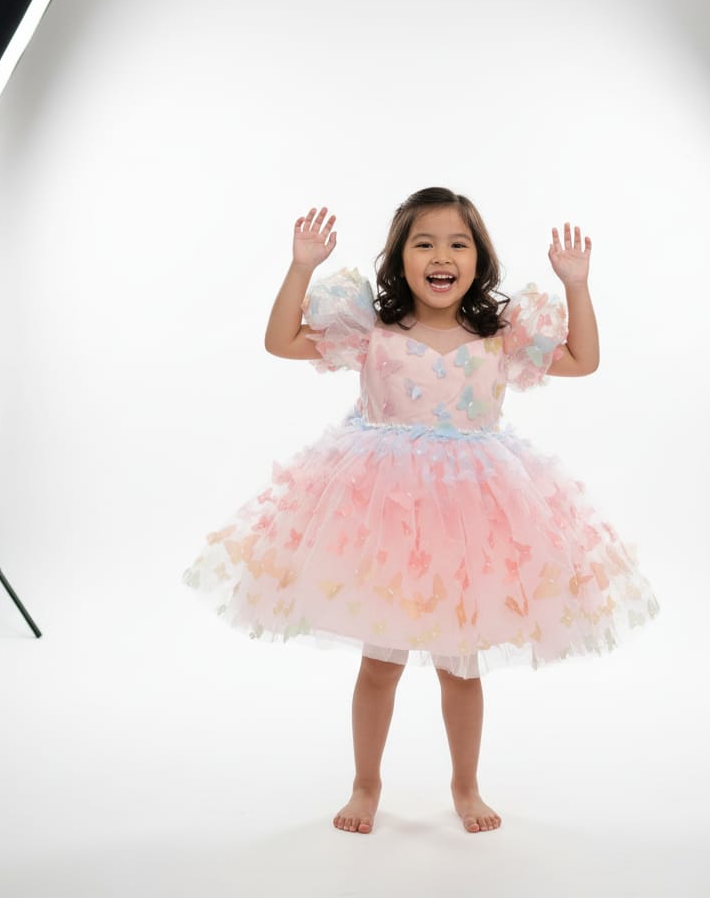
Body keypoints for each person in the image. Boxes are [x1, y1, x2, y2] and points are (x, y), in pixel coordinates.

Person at [182, 186, 660, 835]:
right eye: (424, 243)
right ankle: (365, 784)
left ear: (478, 258)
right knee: (380, 665)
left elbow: (582, 360)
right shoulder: (372, 331)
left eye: (458, 244)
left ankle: (466, 786)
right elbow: (281, 341)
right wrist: (301, 267)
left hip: (468, 523)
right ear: (399, 258)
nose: (441, 256)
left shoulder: (500, 336)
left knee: (460, 668)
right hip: (385, 516)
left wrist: (576, 285)